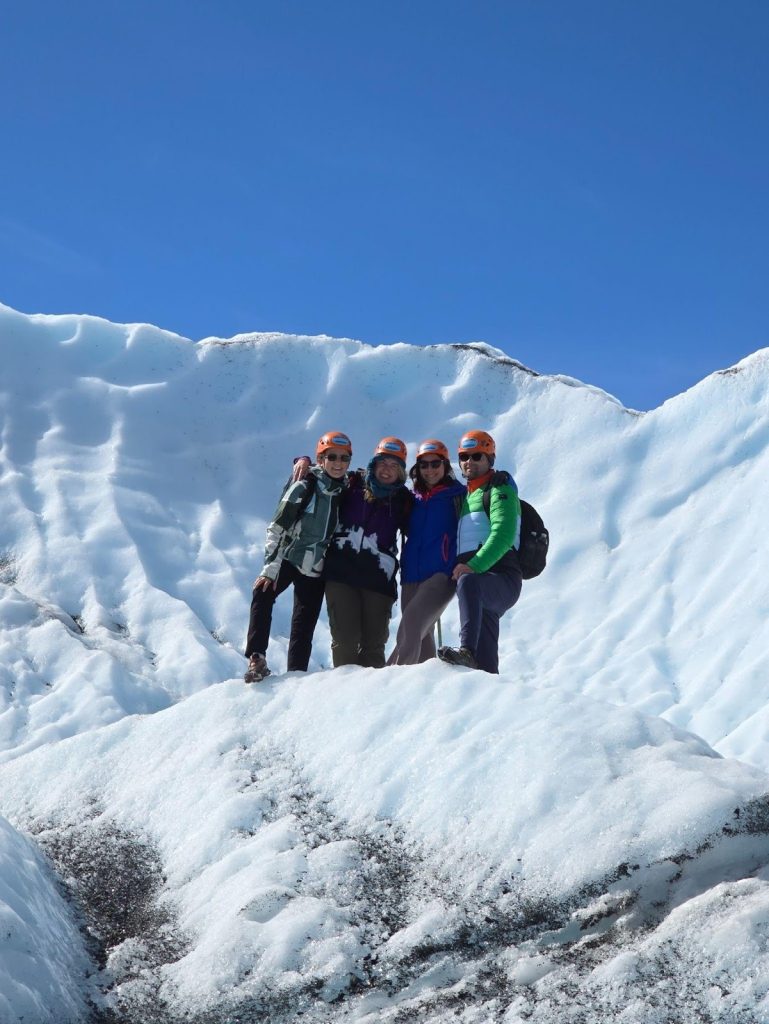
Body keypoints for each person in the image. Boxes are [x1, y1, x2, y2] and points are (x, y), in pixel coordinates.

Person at [243, 431, 352, 683]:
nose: (338, 463)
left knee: (303, 625)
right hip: (290, 557)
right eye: (331, 457)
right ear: (320, 459)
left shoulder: (347, 487)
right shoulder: (305, 485)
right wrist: (270, 566)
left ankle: (296, 676)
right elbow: (277, 526)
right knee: (262, 592)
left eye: (344, 458)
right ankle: (256, 657)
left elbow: (373, 474)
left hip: (317, 567)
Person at [437, 430, 522, 674]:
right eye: (464, 456)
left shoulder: (500, 489)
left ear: (490, 459)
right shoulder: (468, 496)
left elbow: (504, 534)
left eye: (477, 456)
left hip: (503, 576)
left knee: (469, 582)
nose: (469, 462)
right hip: (485, 582)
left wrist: (473, 566)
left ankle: (467, 652)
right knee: (486, 669)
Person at [322, 437, 411, 668]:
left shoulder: (405, 500)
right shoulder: (351, 483)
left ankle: (371, 701)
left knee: (373, 646)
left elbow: (428, 516)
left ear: (402, 471)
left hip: (379, 580)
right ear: (373, 463)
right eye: (383, 462)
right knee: (345, 642)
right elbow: (322, 474)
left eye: (394, 465)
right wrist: (301, 460)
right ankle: (342, 695)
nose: (387, 469)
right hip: (341, 573)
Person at [388, 440, 466, 664]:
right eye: (424, 465)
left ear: (445, 466)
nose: (430, 470)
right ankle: (425, 690)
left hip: (442, 574)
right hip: (411, 575)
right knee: (422, 638)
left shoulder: (458, 495)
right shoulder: (413, 499)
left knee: (410, 626)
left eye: (435, 464)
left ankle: (389, 679)